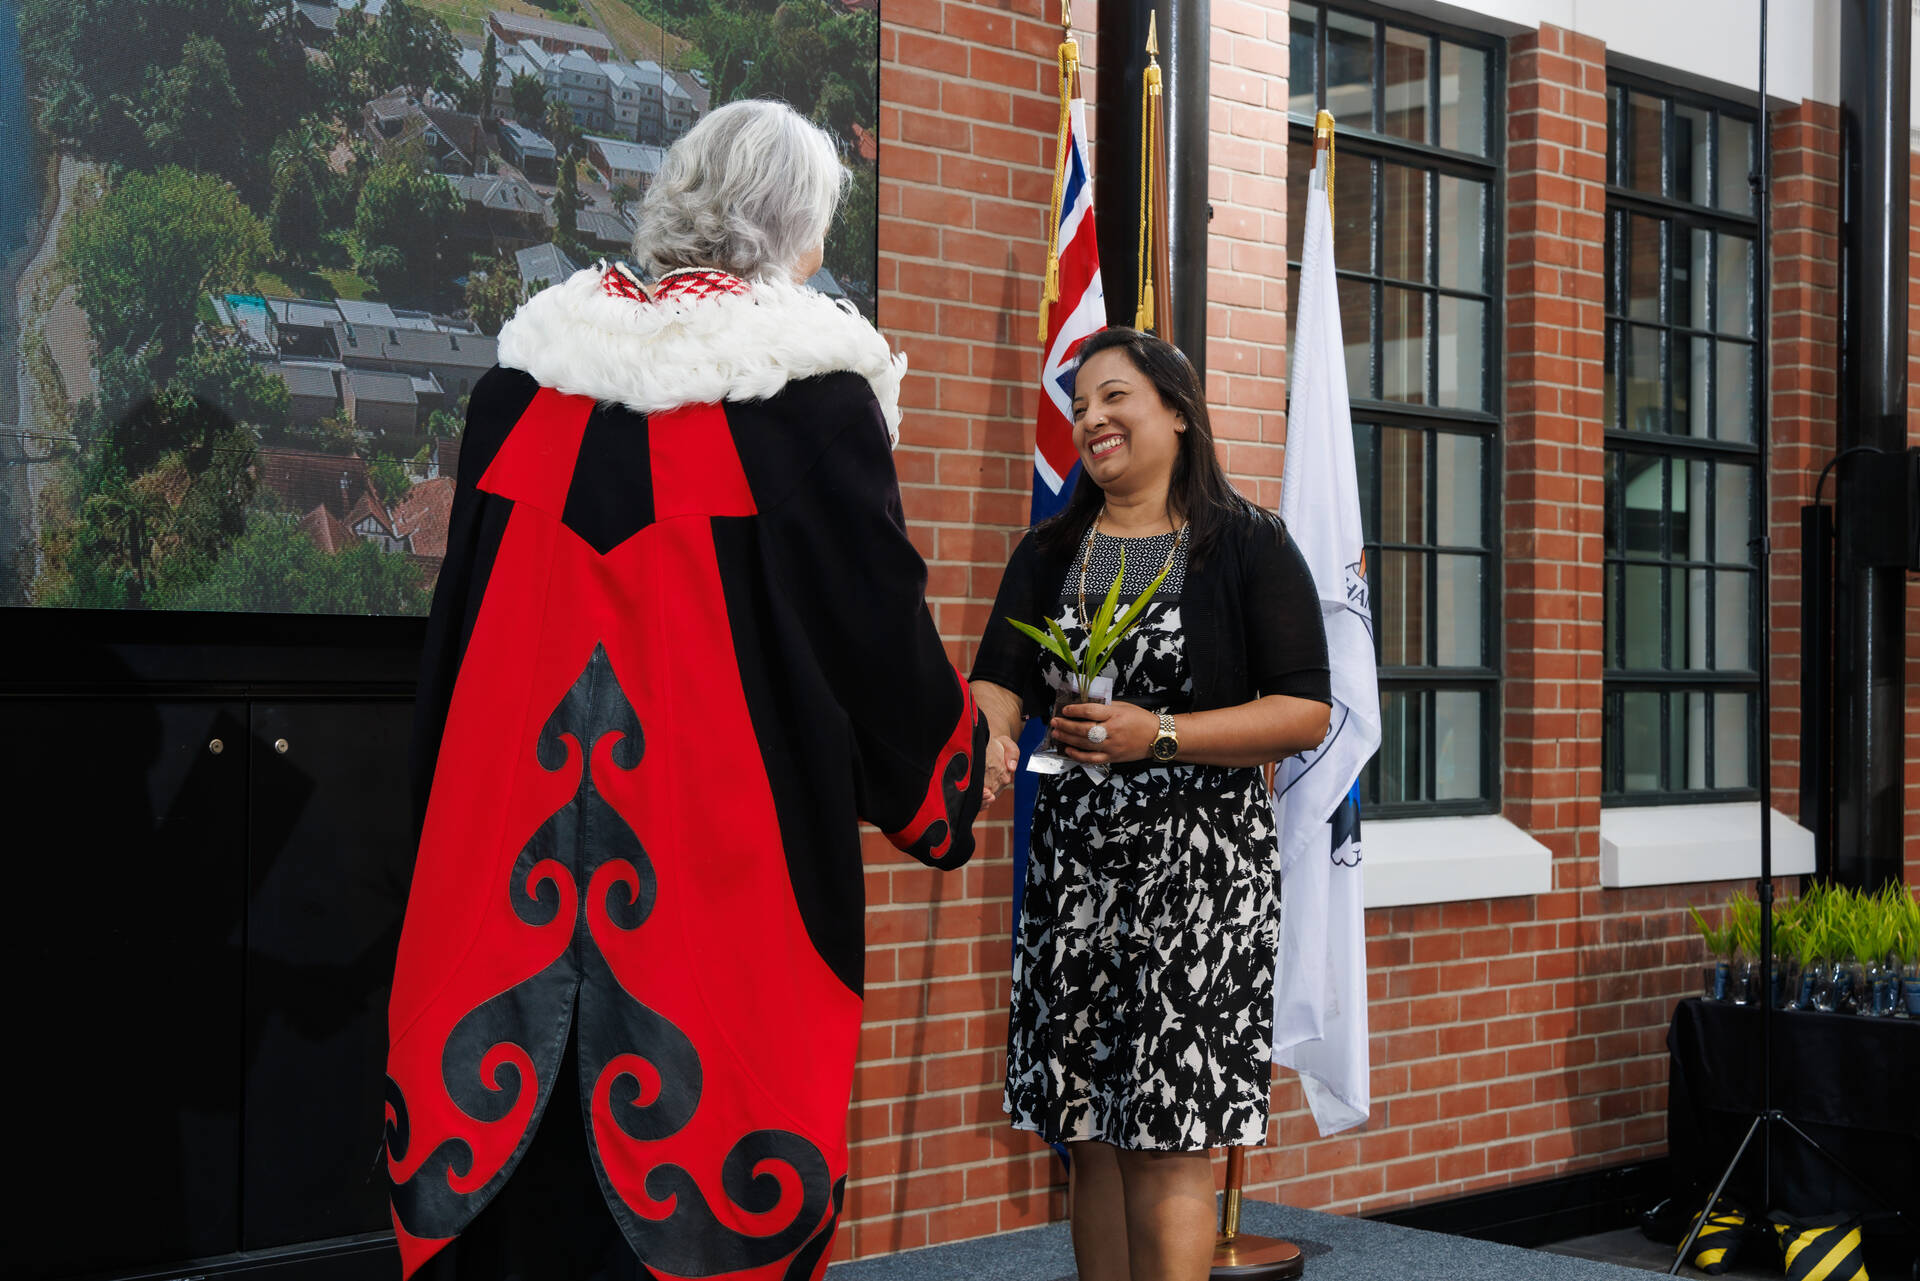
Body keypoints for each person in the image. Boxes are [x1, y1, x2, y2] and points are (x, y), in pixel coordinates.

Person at [385, 100, 997, 1281]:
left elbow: (451, 651)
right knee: (695, 1197)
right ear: (798, 233)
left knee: (514, 1235)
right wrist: (949, 762)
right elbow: (875, 635)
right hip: (716, 895)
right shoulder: (811, 405)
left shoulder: (521, 389)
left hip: (494, 879)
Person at [969, 327, 1334, 1281]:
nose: (1090, 418)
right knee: (1088, 1130)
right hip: (1075, 873)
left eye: (1113, 396)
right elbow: (1000, 680)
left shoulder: (1248, 543)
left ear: (1176, 409)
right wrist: (991, 736)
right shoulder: (1050, 551)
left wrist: (1159, 734)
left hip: (1199, 879)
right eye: (1079, 405)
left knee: (1169, 1136)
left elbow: (1304, 711)